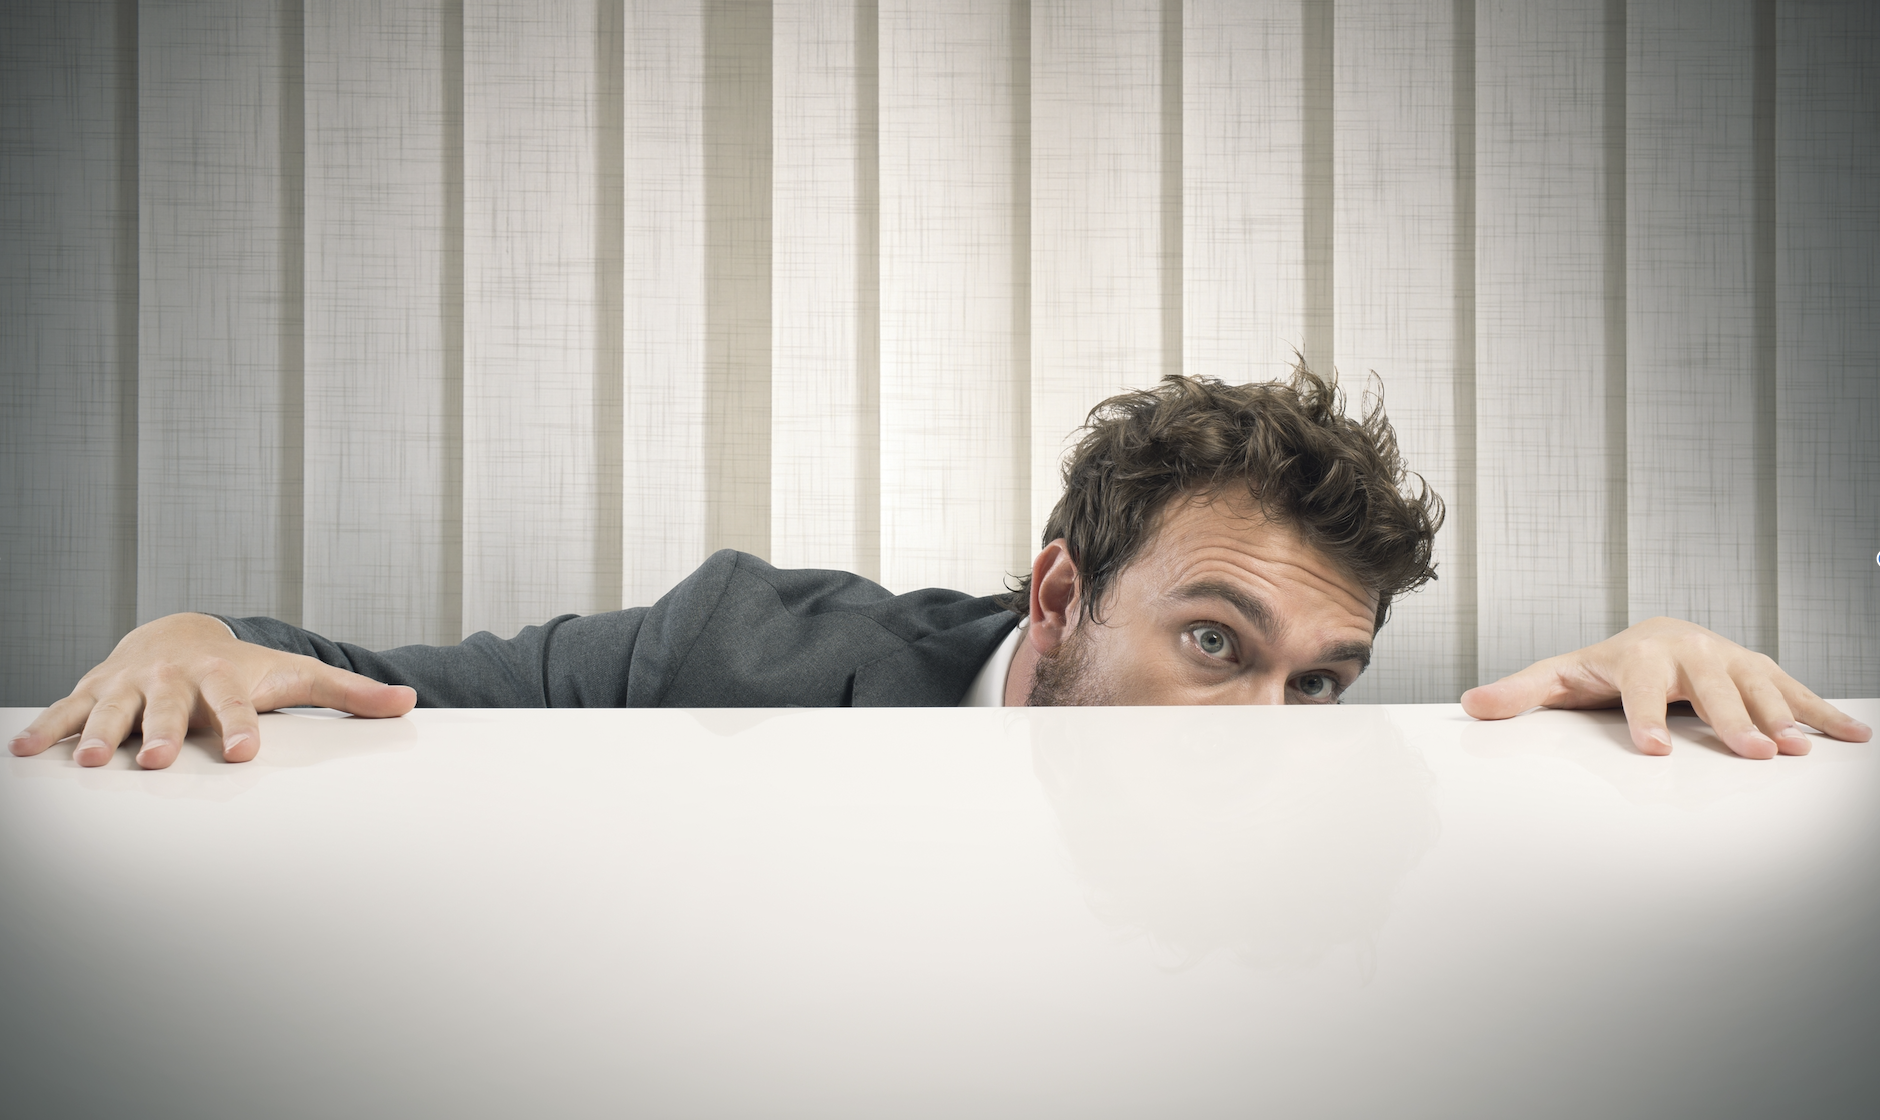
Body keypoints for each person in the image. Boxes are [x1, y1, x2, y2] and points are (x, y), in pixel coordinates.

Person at [9, 366, 1869, 770]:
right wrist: (194, 632)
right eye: (1212, 641)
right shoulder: (734, 646)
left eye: (1317, 680)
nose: (1272, 730)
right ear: (1058, 598)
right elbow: (363, 684)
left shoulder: (1329, 796)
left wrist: (1645, 677)